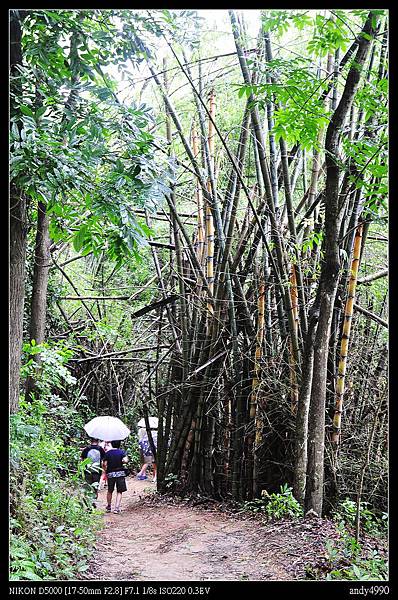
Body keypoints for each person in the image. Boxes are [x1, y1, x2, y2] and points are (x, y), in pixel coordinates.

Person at [102, 440, 128, 514]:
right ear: (119, 444)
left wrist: (105, 471)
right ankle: (116, 508)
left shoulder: (108, 453)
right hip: (120, 473)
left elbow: (104, 464)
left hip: (110, 473)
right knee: (119, 491)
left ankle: (109, 506)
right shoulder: (122, 452)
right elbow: (125, 461)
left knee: (110, 490)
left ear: (112, 444)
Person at [81, 438, 106, 503]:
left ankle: (88, 503)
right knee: (95, 488)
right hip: (97, 471)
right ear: (98, 441)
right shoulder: (100, 449)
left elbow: (82, 460)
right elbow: (103, 460)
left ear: (90, 441)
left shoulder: (87, 449)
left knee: (87, 488)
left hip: (87, 471)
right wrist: (104, 470)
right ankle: (93, 502)